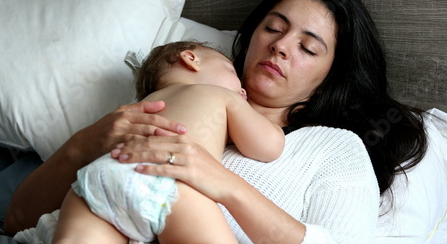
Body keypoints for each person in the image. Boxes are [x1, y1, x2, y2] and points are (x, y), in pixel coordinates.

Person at [5, 0, 428, 243]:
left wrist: (221, 183)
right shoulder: (155, 107)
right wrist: (83, 145)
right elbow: (15, 221)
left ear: (330, 76)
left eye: (307, 47)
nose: (280, 45)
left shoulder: (333, 148)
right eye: (273, 28)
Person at [51, 41, 284, 244]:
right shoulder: (220, 94)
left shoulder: (139, 107)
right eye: (232, 72)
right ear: (191, 59)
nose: (242, 89)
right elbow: (268, 147)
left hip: (103, 174)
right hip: (173, 180)